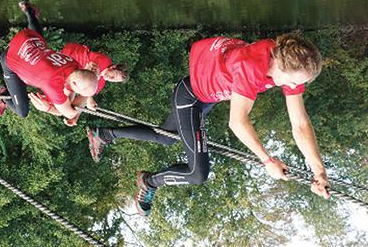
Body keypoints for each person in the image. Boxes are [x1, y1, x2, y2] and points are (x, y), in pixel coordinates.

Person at [87, 34, 330, 216]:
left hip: (204, 97)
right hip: (190, 98)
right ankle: (149, 181)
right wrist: (267, 161)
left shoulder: (283, 60)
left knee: (167, 137)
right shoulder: (250, 66)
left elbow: (299, 123)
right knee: (197, 173)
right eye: (295, 81)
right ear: (281, 66)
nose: (296, 86)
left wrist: (319, 170)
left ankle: (104, 134)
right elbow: (237, 121)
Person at [0, 0, 98, 121]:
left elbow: (68, 100)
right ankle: (3, 97)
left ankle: (29, 11)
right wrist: (48, 109)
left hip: (27, 39)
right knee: (22, 112)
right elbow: (69, 113)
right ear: (75, 84)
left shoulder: (74, 65)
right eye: (79, 91)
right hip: (11, 57)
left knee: (39, 38)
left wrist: (90, 84)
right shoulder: (52, 84)